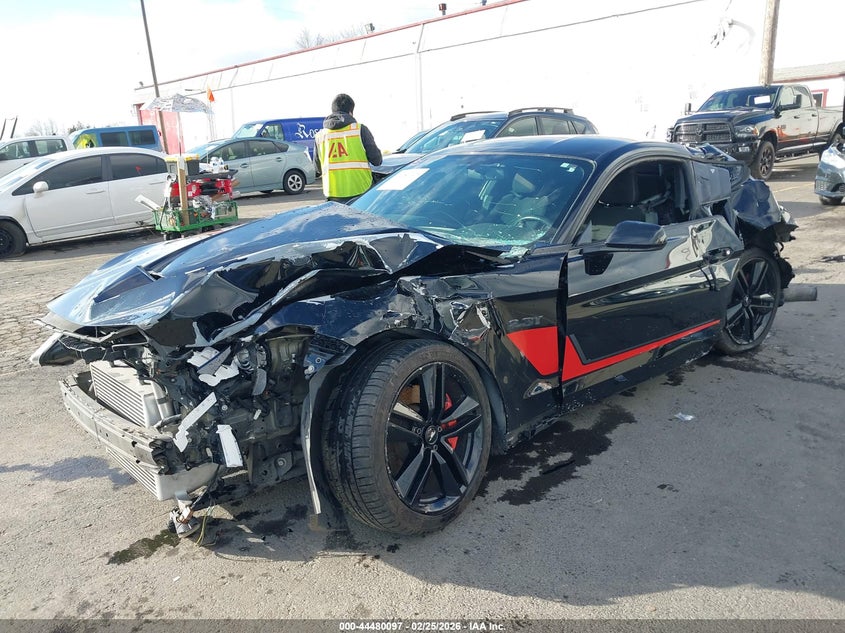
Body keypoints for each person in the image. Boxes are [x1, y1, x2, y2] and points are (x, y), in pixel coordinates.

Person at [314, 93, 382, 203]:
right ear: (351, 112)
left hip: (333, 195)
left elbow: (318, 169)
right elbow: (377, 160)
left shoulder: (320, 136)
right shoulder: (360, 130)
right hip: (361, 192)